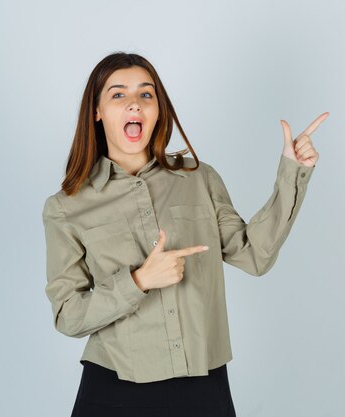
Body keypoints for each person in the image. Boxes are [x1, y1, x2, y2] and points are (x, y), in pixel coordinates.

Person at [42, 51, 327, 417]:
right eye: (118, 95)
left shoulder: (199, 178)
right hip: (114, 389)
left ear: (158, 108)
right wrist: (139, 280)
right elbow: (68, 314)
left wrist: (293, 173)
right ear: (96, 112)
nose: (135, 104)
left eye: (146, 94)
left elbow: (254, 256)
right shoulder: (67, 207)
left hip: (203, 386)